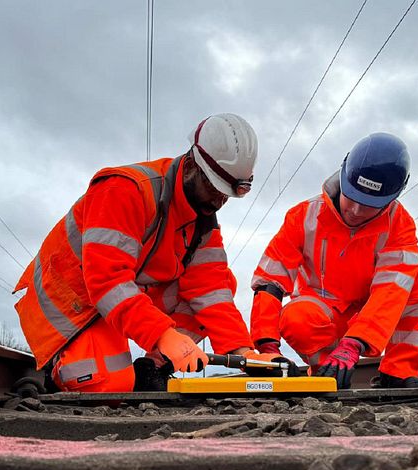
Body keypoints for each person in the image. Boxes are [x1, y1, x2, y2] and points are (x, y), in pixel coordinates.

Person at [14, 113, 285, 392]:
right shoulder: (124, 190)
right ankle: (60, 365)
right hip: (72, 304)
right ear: (191, 164)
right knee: (110, 386)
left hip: (115, 299)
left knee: (223, 281)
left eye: (227, 194)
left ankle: (154, 367)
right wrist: (161, 334)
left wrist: (242, 352)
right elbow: (108, 281)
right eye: (213, 188)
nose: (219, 201)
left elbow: (212, 291)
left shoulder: (202, 220)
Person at [249, 132, 418, 389]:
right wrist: (267, 346)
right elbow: (269, 282)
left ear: (392, 198)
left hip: (372, 316)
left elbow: (391, 290)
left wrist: (355, 342)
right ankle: (327, 374)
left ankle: (399, 372)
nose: (355, 211)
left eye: (368, 205)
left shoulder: (400, 226)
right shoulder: (303, 216)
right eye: (352, 198)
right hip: (323, 317)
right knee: (295, 317)